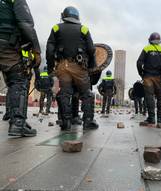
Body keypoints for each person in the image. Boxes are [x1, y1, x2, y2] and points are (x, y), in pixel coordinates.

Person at [46, 6, 98, 131]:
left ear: (64, 16)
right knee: (86, 94)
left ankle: (66, 122)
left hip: (62, 66)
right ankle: (88, 121)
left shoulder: (56, 28)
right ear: (77, 17)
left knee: (64, 93)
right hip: (79, 66)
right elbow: (91, 50)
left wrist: (50, 66)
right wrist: (91, 66)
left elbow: (49, 50)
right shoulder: (84, 29)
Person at [0, 0, 41, 136]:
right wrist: (36, 49)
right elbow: (25, 25)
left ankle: (13, 116)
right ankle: (18, 123)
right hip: (6, 44)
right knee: (18, 81)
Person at [137, 32, 161, 125]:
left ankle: (151, 118)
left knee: (149, 97)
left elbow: (139, 62)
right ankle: (160, 118)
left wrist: (141, 73)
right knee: (160, 97)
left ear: (150, 40)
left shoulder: (146, 48)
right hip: (159, 77)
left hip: (148, 76)